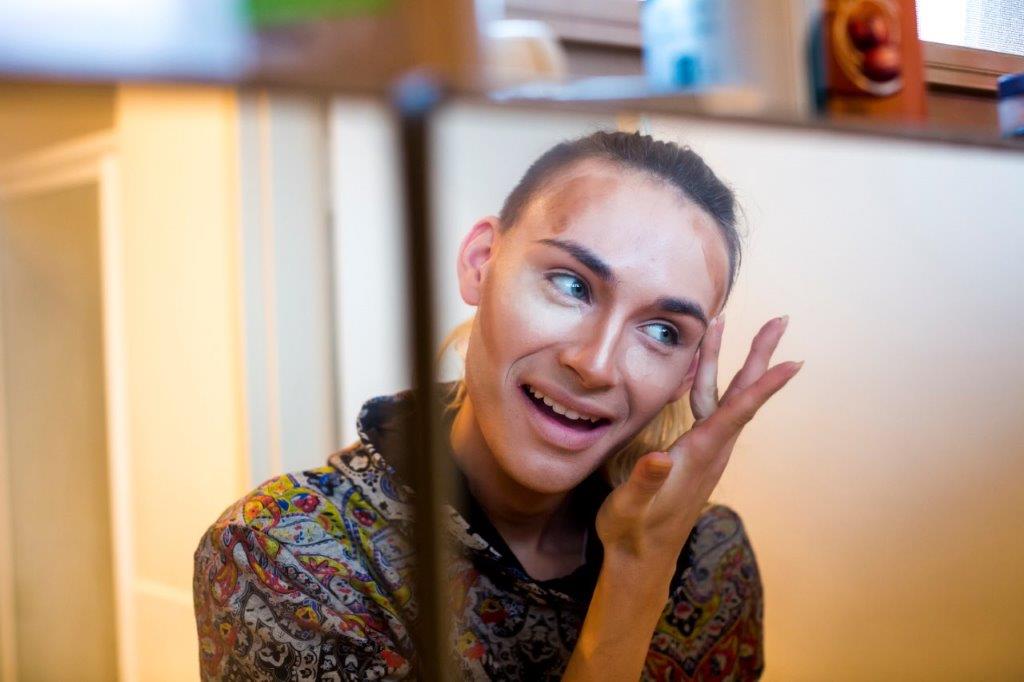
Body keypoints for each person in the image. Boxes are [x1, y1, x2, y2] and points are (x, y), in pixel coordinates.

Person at [192, 130, 801, 680]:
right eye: (572, 284)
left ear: (688, 372)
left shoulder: (711, 562)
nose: (595, 364)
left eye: (663, 331)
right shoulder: (284, 554)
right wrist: (636, 572)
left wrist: (654, 555)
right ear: (481, 263)